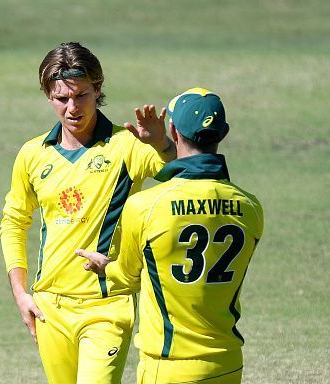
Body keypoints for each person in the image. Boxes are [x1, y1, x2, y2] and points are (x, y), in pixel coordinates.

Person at [0, 42, 176, 384]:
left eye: (81, 95)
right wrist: (21, 294)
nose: (71, 107)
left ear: (97, 89)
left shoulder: (126, 145)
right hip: (50, 306)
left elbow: (180, 172)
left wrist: (162, 144)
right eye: (61, 98)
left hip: (106, 307)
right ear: (48, 96)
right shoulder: (33, 154)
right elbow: (13, 223)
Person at [77, 87, 264, 384]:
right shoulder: (251, 207)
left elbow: (126, 277)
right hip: (227, 363)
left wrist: (104, 266)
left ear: (173, 130)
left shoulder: (145, 205)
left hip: (168, 366)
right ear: (223, 133)